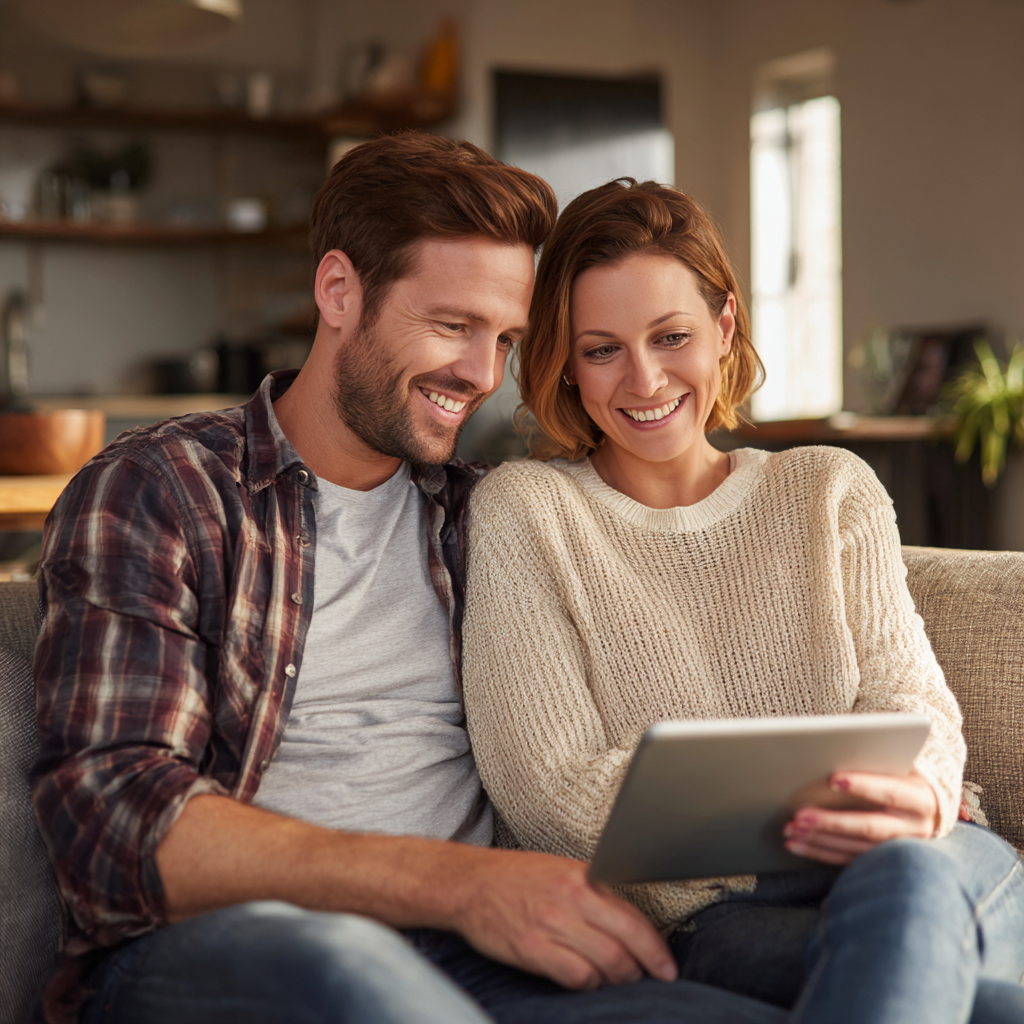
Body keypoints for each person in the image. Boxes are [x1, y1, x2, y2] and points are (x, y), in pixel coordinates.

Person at [32, 134, 802, 1024]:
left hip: (482, 958)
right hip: (231, 950)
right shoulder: (163, 490)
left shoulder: (493, 517)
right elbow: (114, 817)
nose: (482, 375)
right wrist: (463, 884)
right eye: (452, 325)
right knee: (350, 963)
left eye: (507, 337)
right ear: (338, 292)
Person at [461, 177, 1024, 1024]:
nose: (644, 379)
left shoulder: (829, 488)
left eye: (672, 335)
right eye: (602, 348)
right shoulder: (528, 512)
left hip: (929, 852)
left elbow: (914, 700)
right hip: (727, 916)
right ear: (567, 366)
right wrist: (786, 840)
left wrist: (927, 790)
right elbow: (547, 788)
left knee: (907, 879)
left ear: (723, 329)